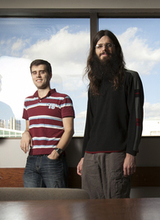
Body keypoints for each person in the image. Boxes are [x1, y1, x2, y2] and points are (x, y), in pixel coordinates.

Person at [77, 30, 144, 199]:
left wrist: (131, 153)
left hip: (117, 154)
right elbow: (90, 123)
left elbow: (136, 118)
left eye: (108, 45)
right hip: (91, 156)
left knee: (116, 209)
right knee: (91, 209)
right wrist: (83, 156)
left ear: (116, 49)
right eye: (99, 46)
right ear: (94, 52)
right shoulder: (93, 84)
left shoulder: (131, 77)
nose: (103, 49)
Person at [20, 59, 75, 188]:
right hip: (32, 159)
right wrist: (25, 133)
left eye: (42, 72)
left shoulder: (63, 99)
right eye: (34, 73)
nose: (38, 76)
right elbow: (28, 128)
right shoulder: (28, 101)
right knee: (32, 204)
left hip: (53, 160)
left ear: (49, 75)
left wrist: (55, 153)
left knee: (58, 204)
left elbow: (69, 130)